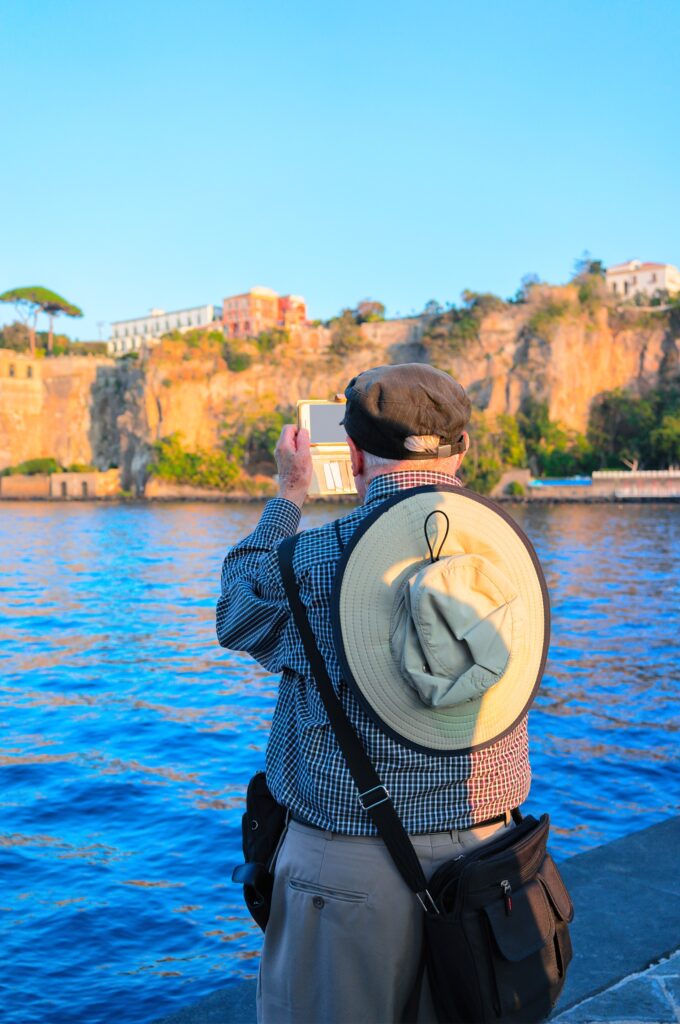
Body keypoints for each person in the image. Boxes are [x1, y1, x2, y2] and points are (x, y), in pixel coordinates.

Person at [216, 363, 538, 1024]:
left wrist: (289, 495)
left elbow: (235, 613)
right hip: (491, 859)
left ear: (353, 455)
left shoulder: (313, 559)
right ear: (463, 447)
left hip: (348, 868)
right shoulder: (512, 549)